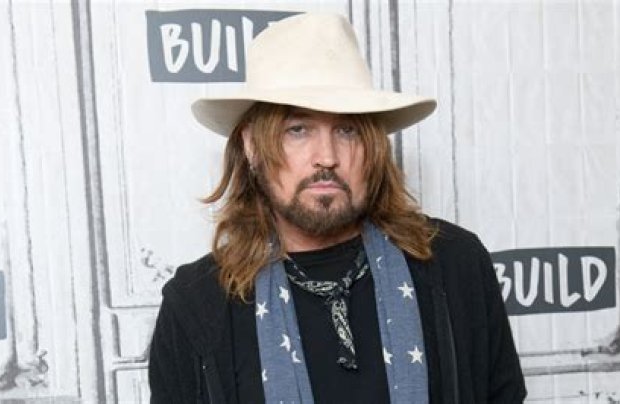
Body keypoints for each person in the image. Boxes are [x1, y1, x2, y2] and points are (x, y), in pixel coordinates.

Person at [148, 12, 526, 404]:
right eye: (298, 130)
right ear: (252, 147)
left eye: (347, 130)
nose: (326, 156)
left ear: (372, 146)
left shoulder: (455, 266)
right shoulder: (197, 305)